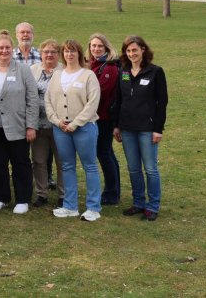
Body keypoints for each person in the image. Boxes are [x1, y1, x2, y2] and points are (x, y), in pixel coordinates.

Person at [0, 30, 39, 215]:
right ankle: (1, 197)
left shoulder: (23, 70)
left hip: (18, 126)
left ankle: (22, 199)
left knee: (20, 163)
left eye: (7, 47)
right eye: (0, 47)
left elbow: (32, 99)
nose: (4, 51)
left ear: (12, 49)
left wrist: (31, 126)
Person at [45, 39, 103, 221]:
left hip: (84, 128)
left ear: (79, 53)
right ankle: (70, 206)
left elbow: (93, 103)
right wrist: (56, 121)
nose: (69, 55)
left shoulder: (88, 75)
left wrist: (75, 123)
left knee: (90, 166)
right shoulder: (56, 75)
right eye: (66, 51)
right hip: (61, 128)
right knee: (67, 166)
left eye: (73, 51)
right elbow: (48, 101)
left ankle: (93, 207)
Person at [112, 35, 168, 221]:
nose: (131, 54)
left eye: (135, 50)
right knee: (134, 168)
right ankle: (138, 203)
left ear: (143, 50)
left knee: (150, 168)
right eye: (128, 51)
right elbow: (119, 100)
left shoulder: (155, 72)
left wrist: (158, 129)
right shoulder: (124, 71)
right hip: (127, 128)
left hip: (147, 128)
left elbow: (162, 103)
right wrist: (117, 126)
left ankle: (152, 206)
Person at [30, 39, 64, 207]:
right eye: (46, 52)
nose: (49, 55)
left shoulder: (65, 71)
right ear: (40, 54)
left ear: (58, 55)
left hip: (59, 126)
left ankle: (63, 195)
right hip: (38, 125)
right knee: (38, 160)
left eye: (53, 52)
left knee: (62, 162)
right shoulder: (33, 70)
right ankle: (42, 194)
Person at [88, 33, 121, 205]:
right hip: (97, 117)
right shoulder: (93, 64)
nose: (96, 49)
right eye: (93, 46)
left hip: (104, 118)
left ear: (106, 47)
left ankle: (111, 192)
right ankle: (114, 189)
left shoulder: (109, 68)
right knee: (107, 153)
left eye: (99, 46)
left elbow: (99, 93)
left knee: (103, 153)